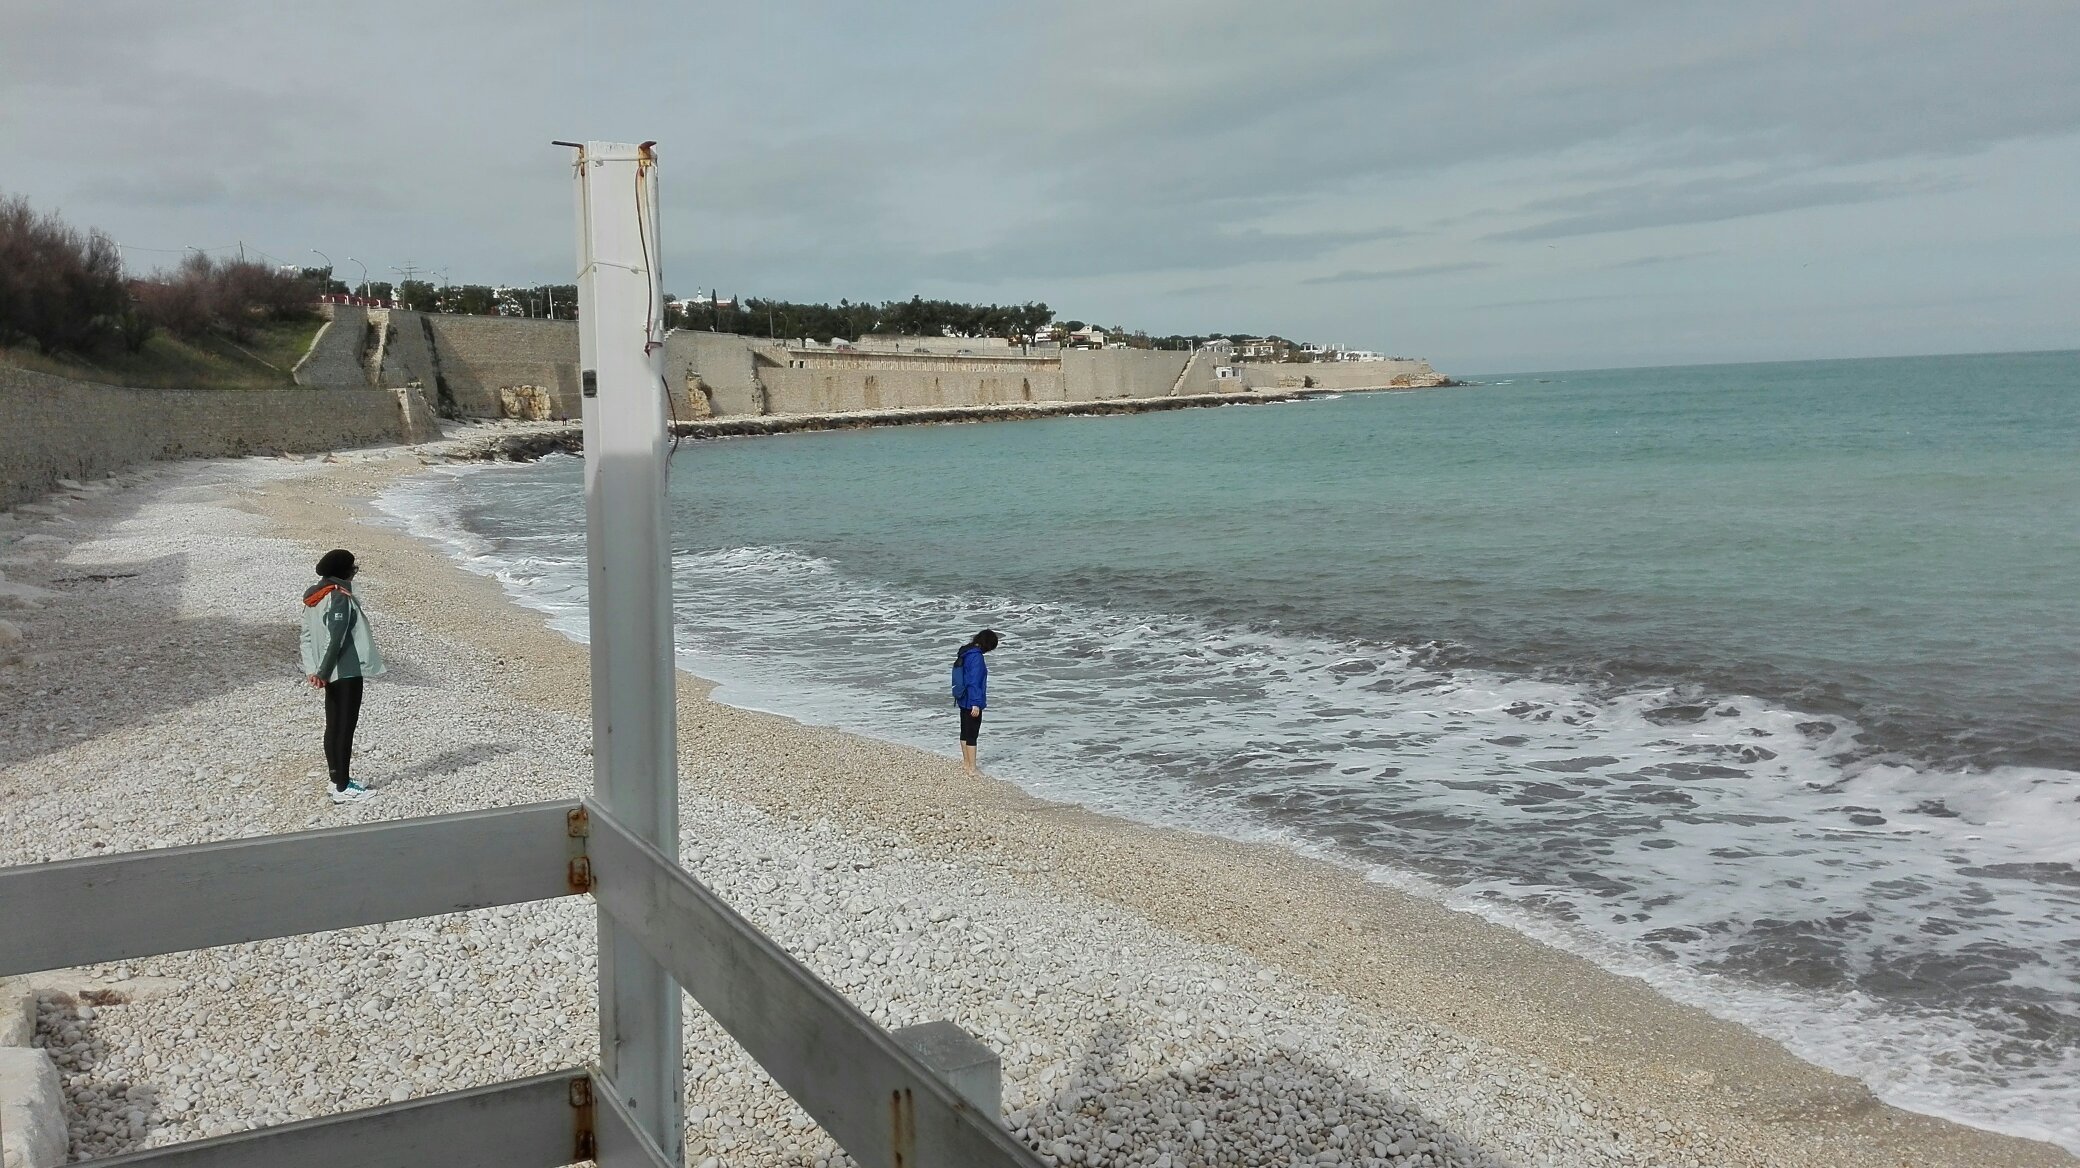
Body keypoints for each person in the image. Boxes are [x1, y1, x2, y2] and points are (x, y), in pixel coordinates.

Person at [300, 549, 386, 804]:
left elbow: (305, 637)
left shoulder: (314, 597)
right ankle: (342, 787)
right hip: (345, 671)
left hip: (325, 671)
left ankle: (336, 780)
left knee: (333, 726)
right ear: (345, 572)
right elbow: (335, 638)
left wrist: (313, 671)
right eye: (353, 568)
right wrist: (324, 672)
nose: (355, 571)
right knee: (344, 728)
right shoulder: (338, 597)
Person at [950, 628, 999, 774]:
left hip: (962, 697)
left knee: (964, 731)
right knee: (972, 734)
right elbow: (975, 681)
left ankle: (966, 763)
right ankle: (972, 768)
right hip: (972, 700)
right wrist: (976, 703)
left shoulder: (966, 652)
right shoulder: (977, 657)